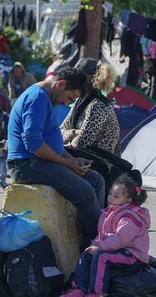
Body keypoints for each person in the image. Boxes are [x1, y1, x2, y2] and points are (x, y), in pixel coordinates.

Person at [7, 68, 105, 250]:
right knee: (85, 192)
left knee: (96, 180)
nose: (65, 102)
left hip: (42, 161)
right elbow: (34, 144)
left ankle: (95, 236)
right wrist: (66, 163)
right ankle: (91, 250)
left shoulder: (47, 99)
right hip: (26, 164)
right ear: (60, 84)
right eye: (68, 98)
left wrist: (72, 160)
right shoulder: (37, 98)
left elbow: (53, 142)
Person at [60, 174, 150, 297]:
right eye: (110, 194)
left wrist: (101, 247)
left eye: (116, 196)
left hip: (132, 255)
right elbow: (102, 234)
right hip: (114, 249)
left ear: (129, 199)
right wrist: (95, 244)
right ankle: (79, 289)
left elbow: (121, 239)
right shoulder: (109, 212)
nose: (110, 198)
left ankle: (98, 294)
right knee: (86, 254)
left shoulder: (130, 216)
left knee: (102, 257)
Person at [61, 58, 121, 156]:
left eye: (78, 77)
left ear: (90, 78)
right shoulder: (79, 102)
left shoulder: (98, 104)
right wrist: (74, 133)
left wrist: (67, 133)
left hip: (101, 164)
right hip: (81, 159)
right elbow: (59, 132)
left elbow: (81, 142)